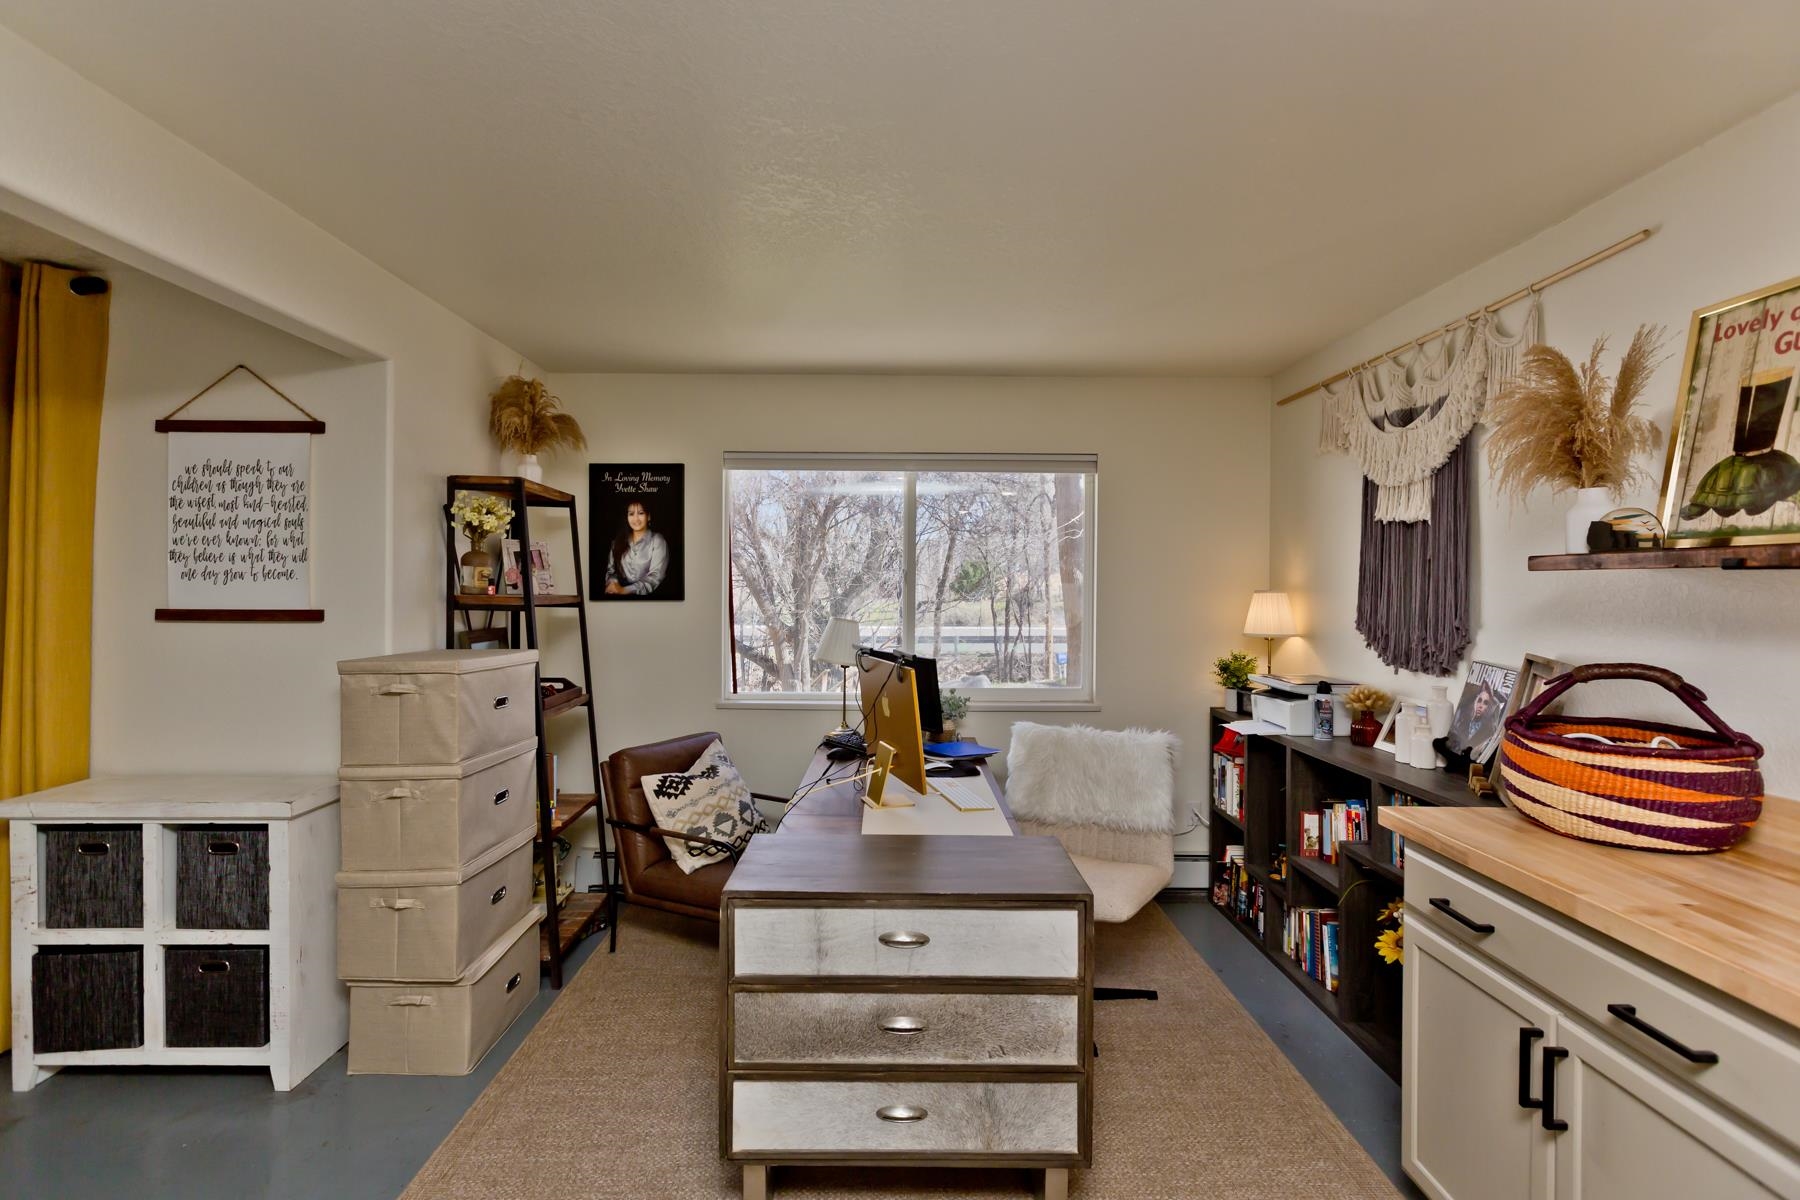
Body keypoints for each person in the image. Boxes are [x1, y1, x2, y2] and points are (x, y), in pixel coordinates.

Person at [604, 500, 669, 596]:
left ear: (649, 516)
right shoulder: (617, 542)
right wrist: (613, 583)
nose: (636, 518)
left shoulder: (657, 541)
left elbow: (655, 577)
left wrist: (624, 590)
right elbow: (611, 571)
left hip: (651, 599)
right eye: (631, 514)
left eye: (641, 513)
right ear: (627, 517)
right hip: (619, 599)